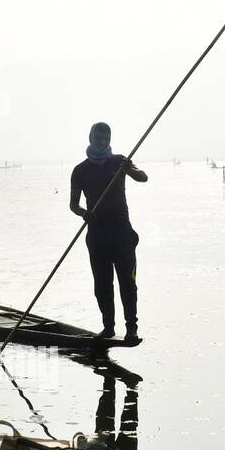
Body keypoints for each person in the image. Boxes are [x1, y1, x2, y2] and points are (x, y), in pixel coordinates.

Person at [69, 122, 146, 341]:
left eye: (106, 138)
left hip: (123, 234)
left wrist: (129, 168)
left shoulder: (119, 161)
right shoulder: (80, 170)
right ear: (91, 138)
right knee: (102, 286)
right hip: (97, 236)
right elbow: (73, 205)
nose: (102, 141)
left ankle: (132, 329)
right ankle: (108, 327)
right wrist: (84, 213)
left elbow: (143, 177)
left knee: (128, 283)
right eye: (98, 138)